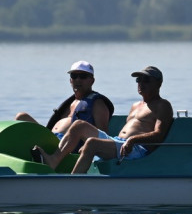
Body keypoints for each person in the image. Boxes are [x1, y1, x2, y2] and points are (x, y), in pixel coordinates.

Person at [35, 65, 173, 175]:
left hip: (136, 149)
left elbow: (159, 134)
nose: (141, 83)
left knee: (92, 144)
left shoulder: (163, 105)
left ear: (158, 83)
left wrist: (133, 140)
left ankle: (74, 182)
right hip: (118, 142)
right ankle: (53, 161)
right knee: (79, 125)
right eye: (138, 80)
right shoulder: (135, 105)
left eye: (146, 80)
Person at [16, 61, 114, 134]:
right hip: (50, 137)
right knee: (21, 117)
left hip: (67, 147)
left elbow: (103, 136)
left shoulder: (97, 103)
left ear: (92, 81)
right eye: (74, 76)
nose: (78, 80)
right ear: (70, 80)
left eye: (83, 76)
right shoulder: (71, 102)